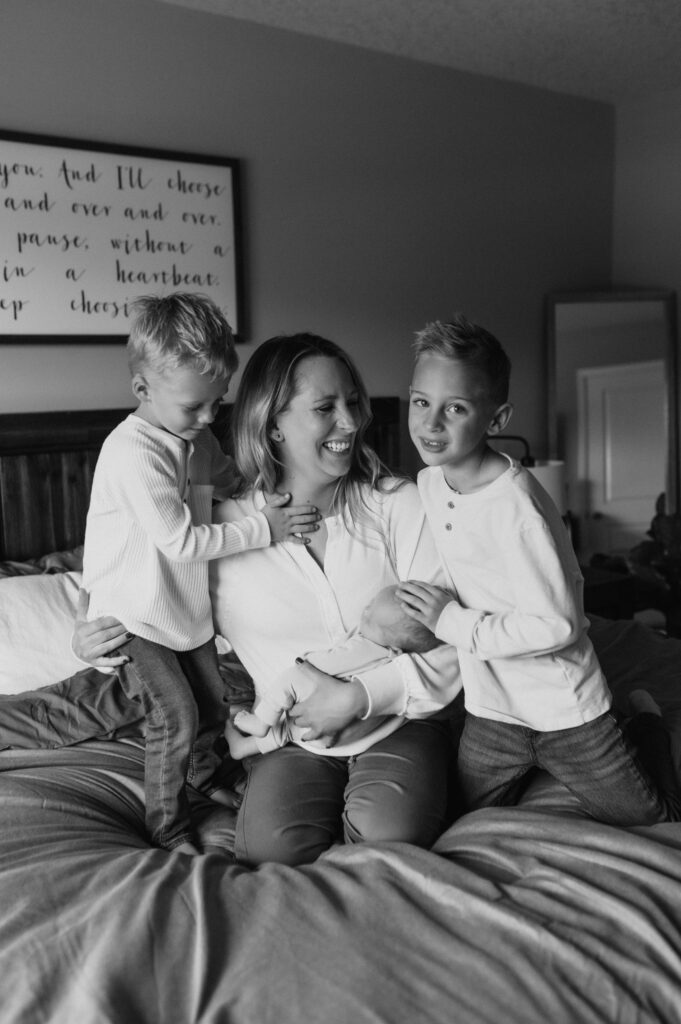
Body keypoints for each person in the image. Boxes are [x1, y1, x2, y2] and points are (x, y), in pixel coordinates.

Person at [75, 332, 463, 866]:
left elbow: (454, 640)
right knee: (270, 854)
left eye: (353, 402)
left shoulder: (400, 505)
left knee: (386, 836)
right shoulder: (217, 530)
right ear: (272, 422)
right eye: (325, 408)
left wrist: (361, 697)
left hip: (403, 718)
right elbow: (130, 564)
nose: (350, 423)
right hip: (289, 737)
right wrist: (90, 627)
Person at [0, 293, 320, 856]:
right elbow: (180, 541)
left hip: (180, 609)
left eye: (216, 404)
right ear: (143, 390)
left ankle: (204, 773)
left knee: (210, 696)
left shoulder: (197, 437)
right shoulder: (133, 452)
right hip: (131, 614)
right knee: (171, 710)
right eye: (193, 407)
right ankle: (167, 826)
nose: (206, 419)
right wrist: (266, 529)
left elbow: (229, 482)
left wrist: (272, 492)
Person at [397, 313, 681, 824]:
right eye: (421, 402)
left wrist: (451, 622)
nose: (431, 423)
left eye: (455, 408)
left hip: (565, 709)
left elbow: (559, 624)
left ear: (497, 420)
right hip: (493, 711)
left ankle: (646, 726)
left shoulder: (518, 508)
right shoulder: (430, 483)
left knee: (655, 817)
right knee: (456, 819)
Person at [225, 583, 442, 759]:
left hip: (324, 720)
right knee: (290, 730)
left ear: (393, 644)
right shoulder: (393, 657)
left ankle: (260, 722)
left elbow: (319, 666)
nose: (365, 610)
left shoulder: (365, 647)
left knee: (293, 678)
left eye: (369, 616)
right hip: (344, 730)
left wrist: (306, 660)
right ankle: (243, 748)